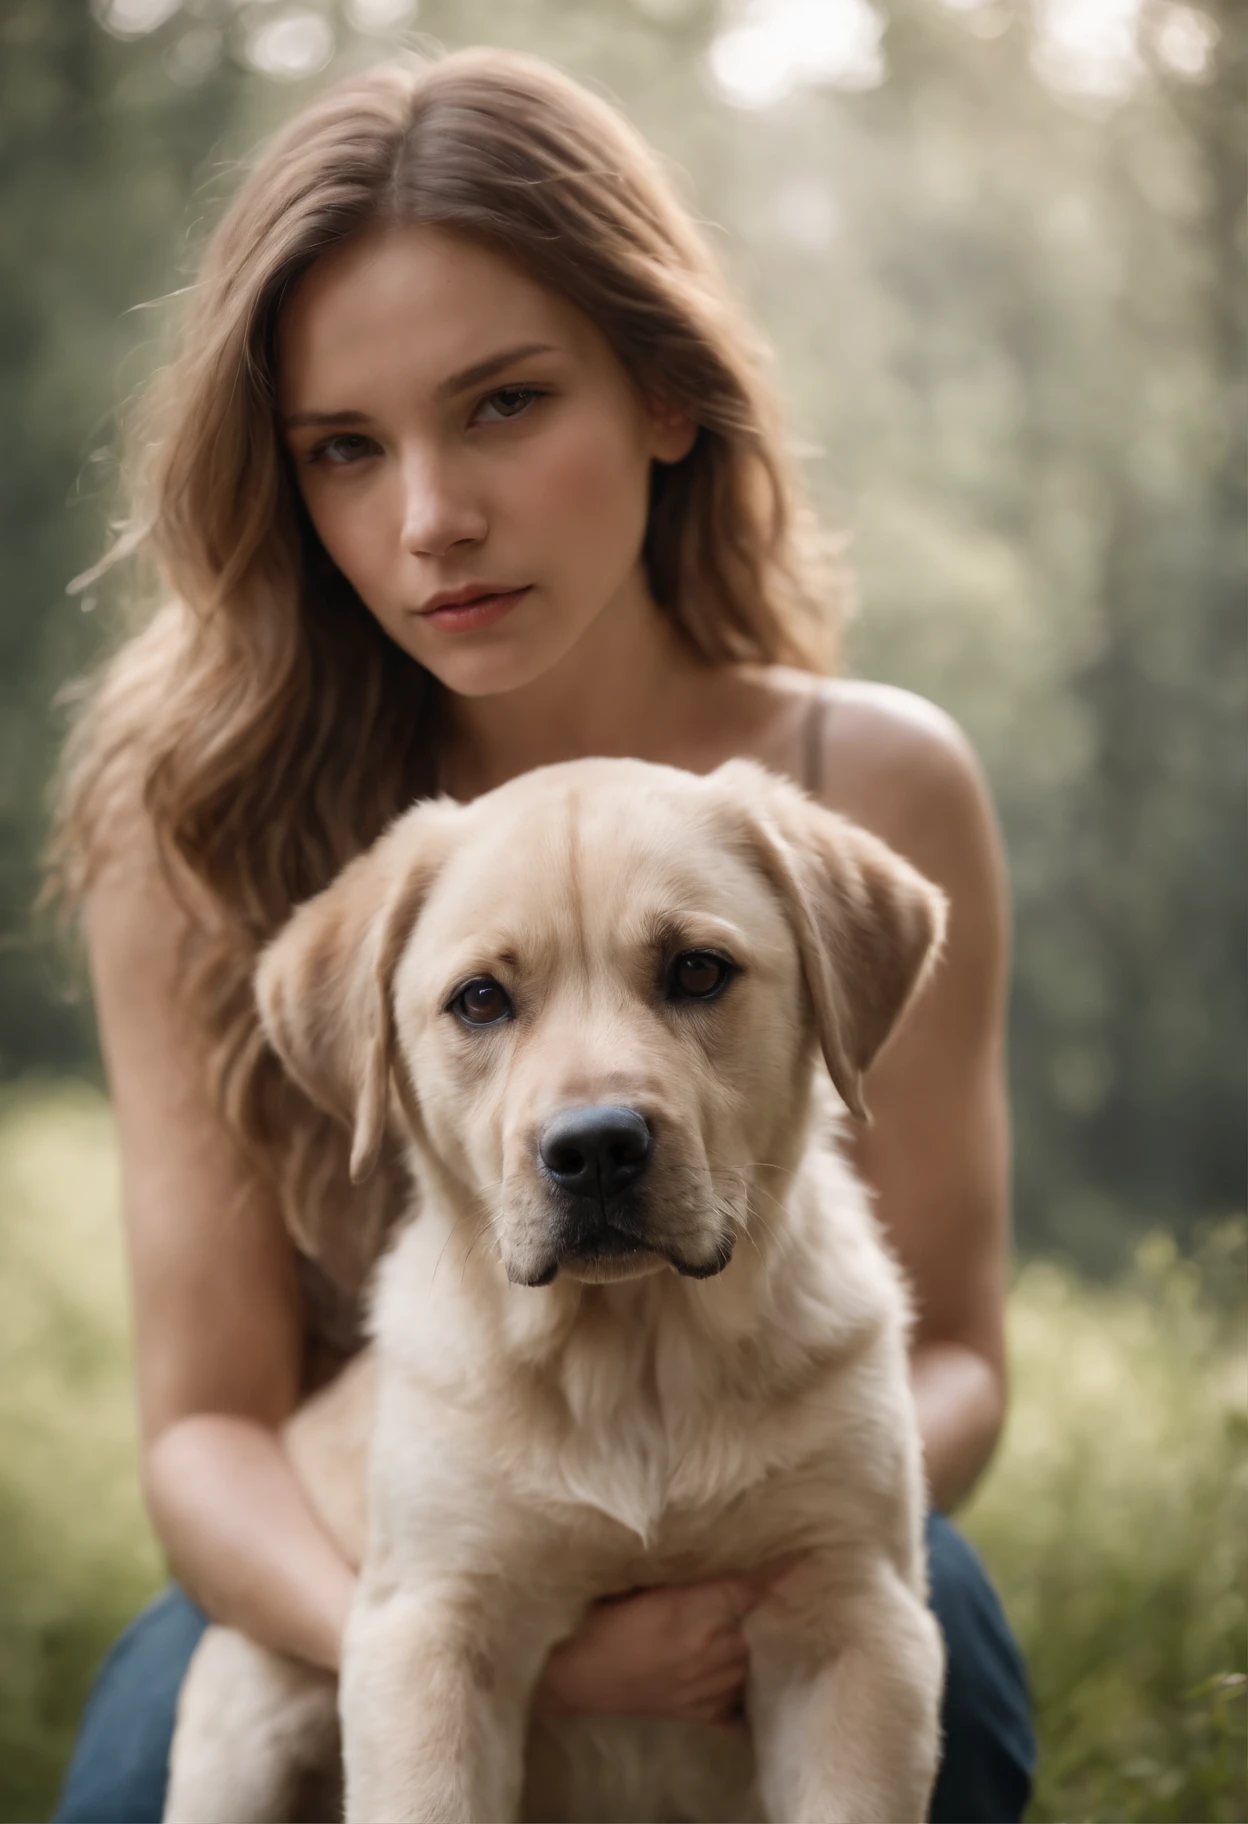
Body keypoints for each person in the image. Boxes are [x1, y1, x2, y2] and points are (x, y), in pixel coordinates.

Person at [48, 46, 1034, 1823]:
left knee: (922, 1629)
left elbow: (953, 1345)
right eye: (346, 449)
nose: (430, 517)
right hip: (355, 1540)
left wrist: (777, 1532)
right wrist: (513, 1627)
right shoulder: (192, 821)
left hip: (791, 1495)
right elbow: (205, 1435)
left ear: (666, 391)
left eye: (502, 403)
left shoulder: (862, 785)